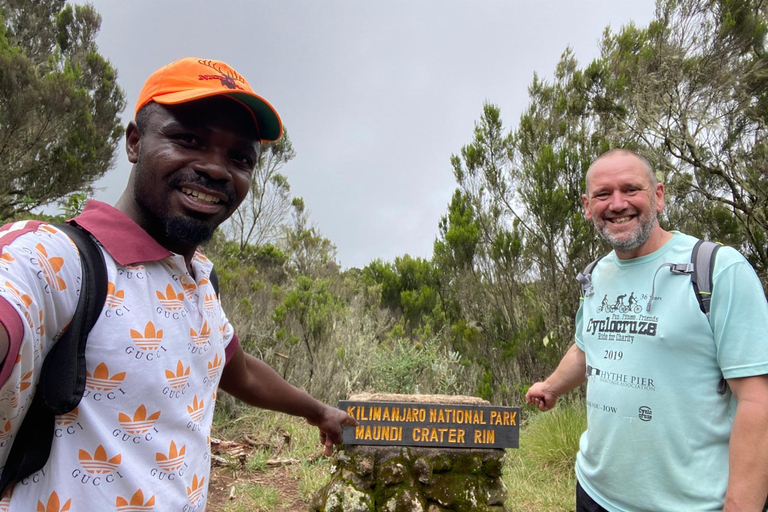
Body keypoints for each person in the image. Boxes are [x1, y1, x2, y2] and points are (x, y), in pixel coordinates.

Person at [0, 57, 357, 510]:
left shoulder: (198, 278)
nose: (216, 169)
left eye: (239, 158)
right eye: (188, 138)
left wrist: (318, 412)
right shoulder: (59, 259)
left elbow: (237, 370)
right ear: (134, 142)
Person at [526, 149, 768, 511]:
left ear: (658, 196)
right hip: (594, 492)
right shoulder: (594, 275)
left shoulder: (718, 269)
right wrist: (550, 387)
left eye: (631, 189)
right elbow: (586, 347)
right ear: (587, 206)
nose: (617, 203)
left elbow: (757, 400)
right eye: (603, 194)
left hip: (691, 504)